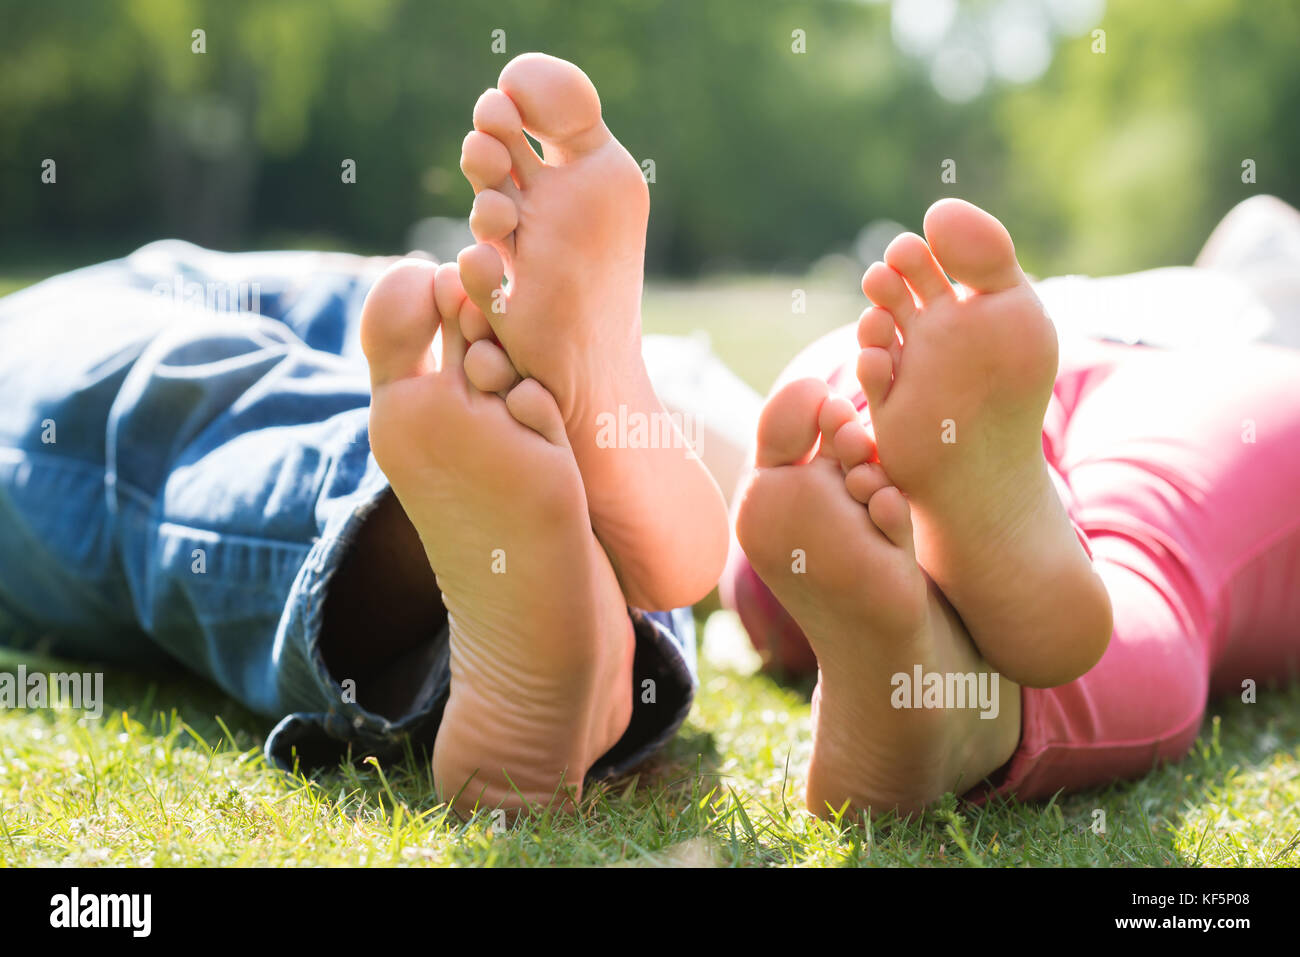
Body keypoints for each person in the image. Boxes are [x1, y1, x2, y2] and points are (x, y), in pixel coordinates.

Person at [2, 53, 1297, 821]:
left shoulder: (1224, 329)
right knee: (770, 493)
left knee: (89, 371)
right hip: (897, 437)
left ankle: (562, 530)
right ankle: (614, 512)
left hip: (927, 400)